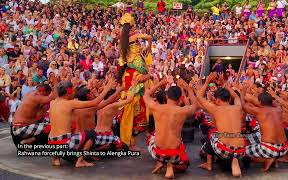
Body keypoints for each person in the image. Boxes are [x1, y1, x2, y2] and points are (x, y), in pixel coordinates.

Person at [48, 80, 112, 167]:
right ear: (68, 92)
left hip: (51, 145)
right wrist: (106, 89)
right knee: (92, 133)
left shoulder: (52, 102)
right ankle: (80, 160)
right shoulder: (70, 103)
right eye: (73, 91)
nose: (74, 93)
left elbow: (57, 92)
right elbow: (95, 102)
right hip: (65, 146)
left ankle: (56, 159)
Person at [144, 78, 198, 179]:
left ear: (166, 96)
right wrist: (187, 87)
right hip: (175, 154)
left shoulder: (156, 107)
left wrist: (160, 83)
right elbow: (195, 105)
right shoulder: (183, 111)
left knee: (152, 137)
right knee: (183, 160)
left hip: (157, 152)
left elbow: (146, 95)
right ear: (180, 98)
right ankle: (170, 164)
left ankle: (162, 162)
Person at [196, 73, 245, 177]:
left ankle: (209, 164)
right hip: (241, 150)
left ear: (218, 100)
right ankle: (235, 159)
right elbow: (236, 96)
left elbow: (199, 96)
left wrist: (207, 81)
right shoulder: (237, 107)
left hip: (225, 150)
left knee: (212, 133)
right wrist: (225, 85)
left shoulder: (215, 109)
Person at [117, 13, 152, 150]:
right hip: (136, 76)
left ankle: (129, 141)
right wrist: (149, 46)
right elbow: (149, 37)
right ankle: (129, 141)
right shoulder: (135, 36)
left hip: (129, 75)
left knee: (132, 110)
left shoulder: (123, 41)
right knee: (137, 112)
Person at [242, 89, 288, 172]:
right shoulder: (279, 110)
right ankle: (273, 159)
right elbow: (275, 103)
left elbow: (243, 106)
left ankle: (267, 159)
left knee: (240, 152)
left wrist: (242, 92)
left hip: (268, 149)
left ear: (259, 102)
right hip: (283, 149)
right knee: (256, 139)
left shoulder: (259, 111)